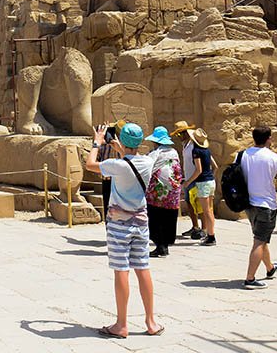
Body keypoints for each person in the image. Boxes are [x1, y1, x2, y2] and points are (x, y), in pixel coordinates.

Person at [85, 122, 163, 339]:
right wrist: (123, 150)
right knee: (143, 269)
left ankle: (121, 324)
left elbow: (89, 163)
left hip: (119, 225)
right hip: (141, 223)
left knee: (121, 270)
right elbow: (132, 163)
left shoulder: (116, 165)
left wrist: (97, 143)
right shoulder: (147, 161)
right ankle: (151, 321)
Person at [241, 126, 277, 288]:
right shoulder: (273, 157)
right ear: (269, 138)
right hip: (266, 204)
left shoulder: (243, 155)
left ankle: (270, 268)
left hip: (249, 203)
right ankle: (250, 278)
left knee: (261, 238)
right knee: (259, 241)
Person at [146, 126, 183, 257]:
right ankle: (165, 246)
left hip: (157, 193)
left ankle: (160, 246)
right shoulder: (174, 152)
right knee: (168, 218)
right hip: (173, 193)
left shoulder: (155, 154)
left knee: (156, 218)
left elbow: (148, 170)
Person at [183, 128, 218, 246]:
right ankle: (210, 233)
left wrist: (188, 182)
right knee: (209, 210)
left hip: (202, 182)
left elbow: (198, 170)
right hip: (210, 181)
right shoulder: (206, 150)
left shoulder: (196, 151)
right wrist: (211, 177)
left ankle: (211, 236)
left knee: (205, 210)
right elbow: (215, 166)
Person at [173, 121, 203, 239]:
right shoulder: (185, 145)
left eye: (179, 134)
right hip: (188, 178)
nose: (178, 137)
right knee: (190, 204)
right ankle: (195, 227)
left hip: (194, 179)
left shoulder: (193, 145)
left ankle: (204, 229)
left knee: (199, 205)